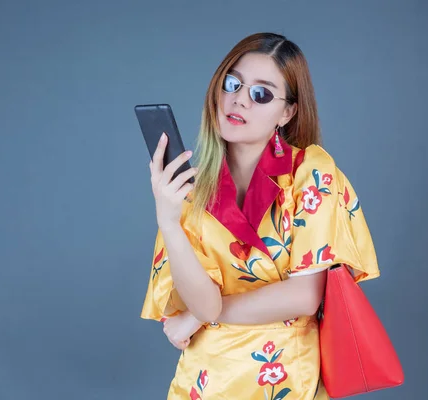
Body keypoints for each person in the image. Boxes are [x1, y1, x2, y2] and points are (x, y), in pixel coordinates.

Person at [140, 32, 380, 400]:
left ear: (288, 112)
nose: (238, 99)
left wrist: (201, 317)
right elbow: (202, 304)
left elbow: (304, 297)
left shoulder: (310, 172)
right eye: (232, 84)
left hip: (282, 381)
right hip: (203, 382)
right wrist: (169, 221)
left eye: (261, 93)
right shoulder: (192, 191)